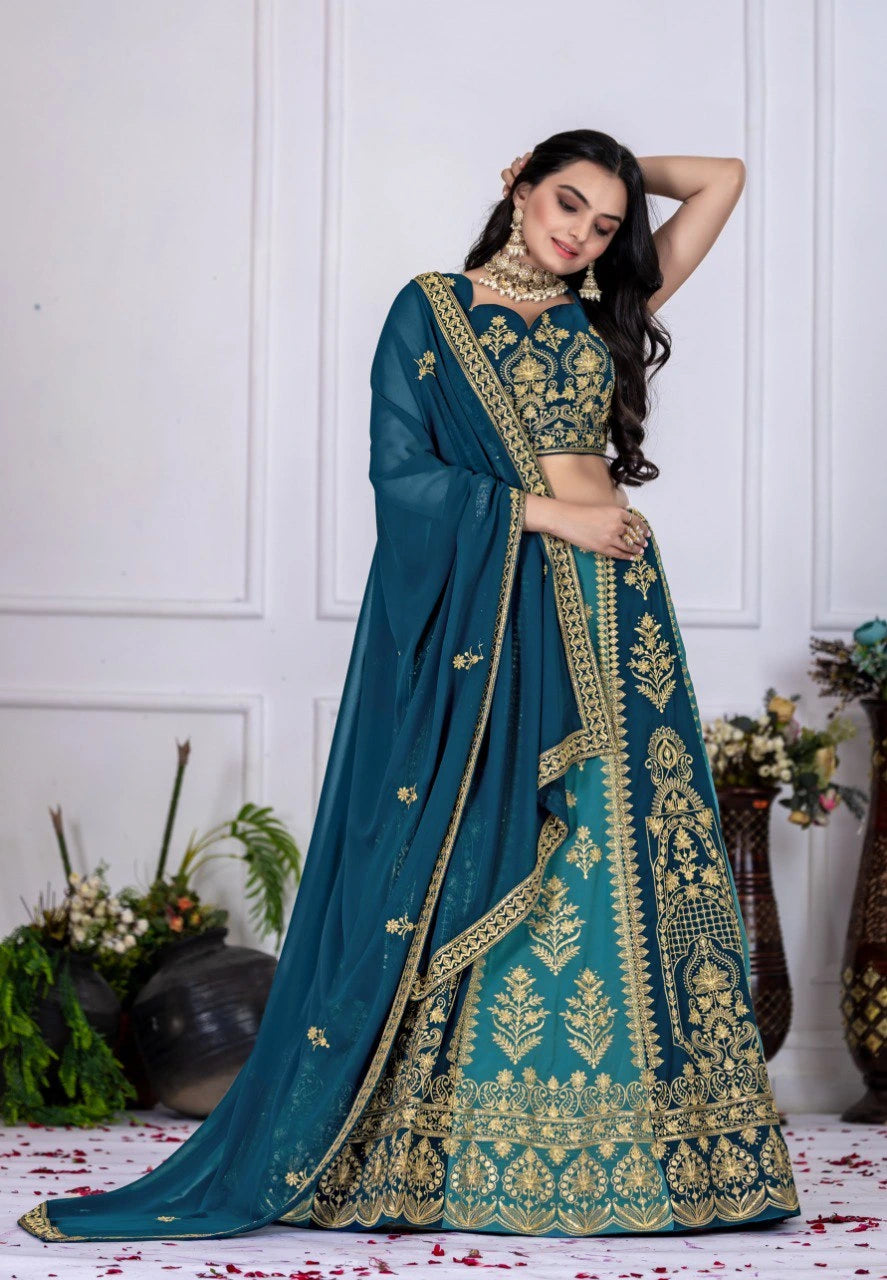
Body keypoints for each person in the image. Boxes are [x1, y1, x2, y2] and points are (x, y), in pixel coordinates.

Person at [17, 129, 800, 1242]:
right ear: (515, 184)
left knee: (615, 858)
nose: (578, 231)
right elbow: (406, 477)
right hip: (508, 607)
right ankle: (480, 1150)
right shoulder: (431, 312)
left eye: (603, 222)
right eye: (562, 201)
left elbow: (722, 177)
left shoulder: (603, 301)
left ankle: (652, 1153)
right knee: (494, 843)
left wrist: (623, 171)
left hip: (617, 610)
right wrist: (553, 514)